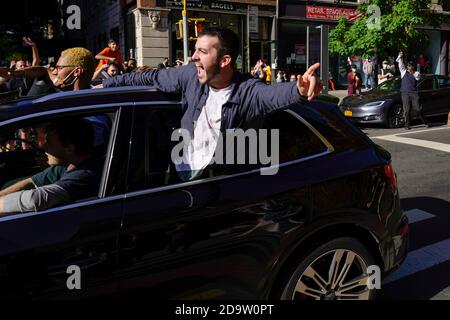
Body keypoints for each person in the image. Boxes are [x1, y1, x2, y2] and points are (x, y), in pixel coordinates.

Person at [98, 27, 321, 180]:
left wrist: (299, 89)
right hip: (180, 174)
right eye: (196, 50)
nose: (193, 56)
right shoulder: (189, 75)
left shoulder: (248, 91)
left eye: (202, 52)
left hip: (221, 185)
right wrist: (107, 84)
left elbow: (273, 95)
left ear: (225, 61)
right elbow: (150, 77)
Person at [0, 119, 102, 215]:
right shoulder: (66, 166)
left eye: (49, 143)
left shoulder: (84, 176)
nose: (43, 147)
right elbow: (30, 182)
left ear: (69, 149)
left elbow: (36, 199)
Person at [397, 51, 427, 129]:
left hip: (413, 93)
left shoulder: (416, 73)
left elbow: (418, 77)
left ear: (413, 67)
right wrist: (400, 56)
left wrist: (412, 72)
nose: (409, 67)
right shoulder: (403, 72)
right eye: (408, 66)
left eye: (410, 66)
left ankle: (425, 122)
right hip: (404, 93)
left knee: (417, 108)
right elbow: (401, 65)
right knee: (407, 110)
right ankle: (407, 125)